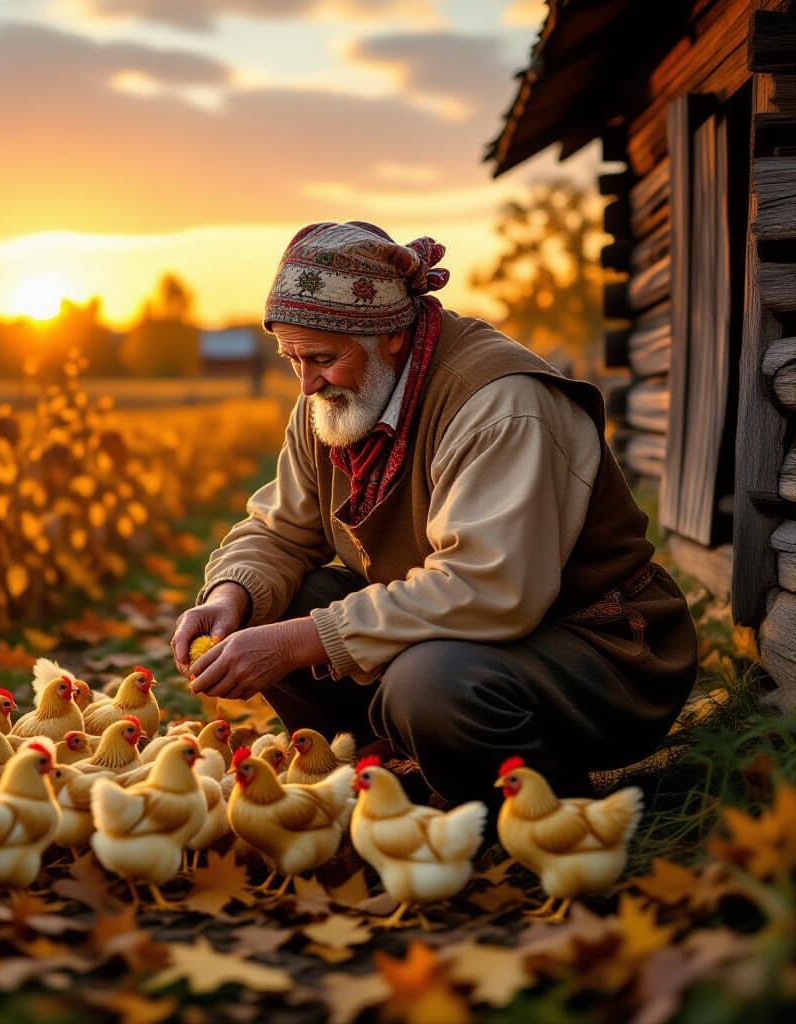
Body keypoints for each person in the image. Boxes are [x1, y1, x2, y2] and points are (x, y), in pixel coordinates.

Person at [171, 220, 697, 807]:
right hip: (464, 631)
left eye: (321, 358)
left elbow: (488, 588)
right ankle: (387, 789)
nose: (306, 382)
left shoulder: (501, 403)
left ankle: (545, 818)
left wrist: (300, 642)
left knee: (428, 685)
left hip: (597, 650)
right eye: (292, 357)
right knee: (275, 606)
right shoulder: (335, 399)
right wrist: (229, 596)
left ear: (392, 336)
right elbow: (281, 529)